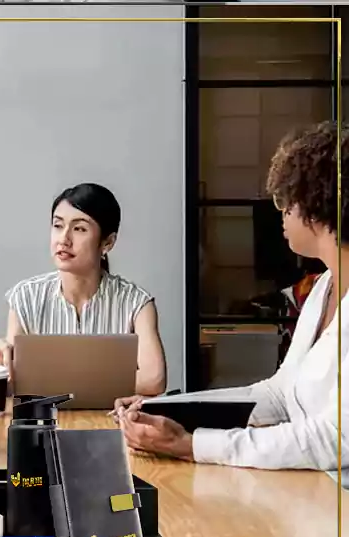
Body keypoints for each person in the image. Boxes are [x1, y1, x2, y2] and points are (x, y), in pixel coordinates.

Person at [113, 120, 349, 471]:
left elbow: (335, 440)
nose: (280, 213)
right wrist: (163, 409)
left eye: (286, 200)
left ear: (315, 203)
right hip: (311, 491)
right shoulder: (323, 289)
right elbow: (278, 396)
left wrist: (191, 445)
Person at [0, 182, 167, 397]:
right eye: (58, 226)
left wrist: (52, 380)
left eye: (79, 229)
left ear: (107, 243)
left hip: (112, 423)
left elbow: (154, 379)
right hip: (46, 425)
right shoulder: (25, 297)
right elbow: (15, 382)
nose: (64, 239)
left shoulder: (136, 303)